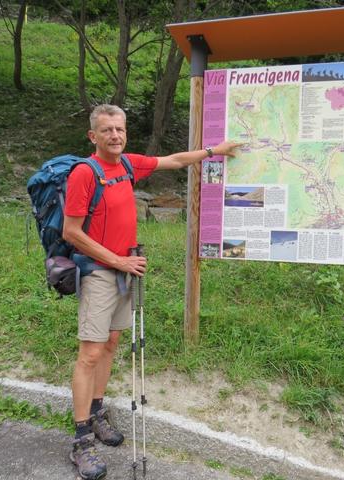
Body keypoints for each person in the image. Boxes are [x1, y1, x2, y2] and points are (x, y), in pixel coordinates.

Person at [62, 104, 240, 480]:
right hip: (99, 273)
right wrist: (119, 262)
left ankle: (96, 413)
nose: (115, 135)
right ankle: (81, 441)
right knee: (90, 353)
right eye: (107, 130)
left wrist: (214, 151)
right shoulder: (84, 173)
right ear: (93, 136)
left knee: (110, 343)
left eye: (120, 129)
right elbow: (72, 232)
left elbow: (174, 160)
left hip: (126, 271)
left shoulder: (127, 165)